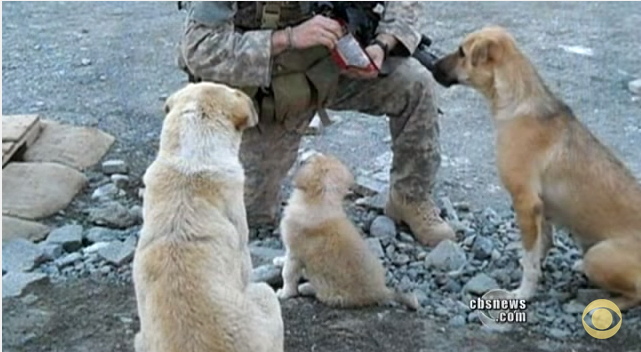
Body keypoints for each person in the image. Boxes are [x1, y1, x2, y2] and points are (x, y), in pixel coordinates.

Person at [177, 1, 455, 246]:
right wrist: (287, 38)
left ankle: (410, 198)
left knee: (415, 84)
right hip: (272, 85)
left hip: (335, 63)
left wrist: (383, 44)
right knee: (249, 216)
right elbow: (201, 49)